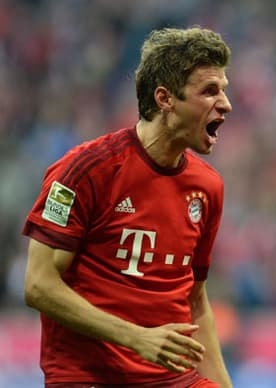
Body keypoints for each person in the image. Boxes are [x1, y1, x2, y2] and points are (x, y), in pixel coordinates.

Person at [22, 27, 233, 388]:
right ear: (165, 98)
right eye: (209, 91)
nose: (226, 104)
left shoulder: (207, 187)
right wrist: (137, 337)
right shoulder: (85, 170)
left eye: (224, 90)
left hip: (173, 379)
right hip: (89, 378)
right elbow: (38, 286)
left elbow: (195, 299)